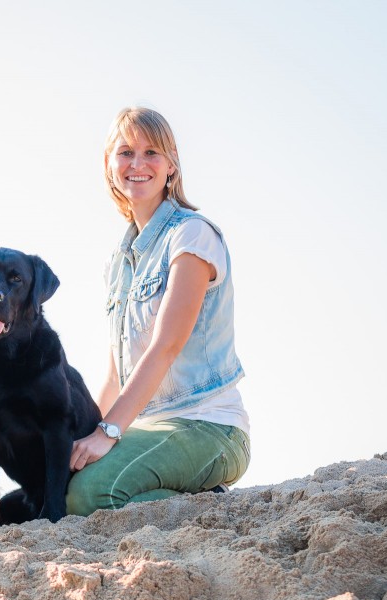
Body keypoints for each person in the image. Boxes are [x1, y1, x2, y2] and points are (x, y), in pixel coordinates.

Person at [67, 107, 250, 513]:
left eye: (152, 152)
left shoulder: (192, 235)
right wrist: (84, 435)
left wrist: (109, 431)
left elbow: (166, 346)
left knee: (89, 495)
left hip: (209, 427)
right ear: (109, 166)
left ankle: (209, 504)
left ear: (171, 165)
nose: (138, 164)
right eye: (125, 152)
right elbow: (116, 373)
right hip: (146, 431)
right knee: (65, 480)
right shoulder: (118, 261)